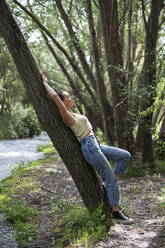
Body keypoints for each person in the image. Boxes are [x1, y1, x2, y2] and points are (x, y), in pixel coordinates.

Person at [42, 71, 133, 224]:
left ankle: (109, 183)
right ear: (63, 101)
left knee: (125, 156)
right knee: (110, 178)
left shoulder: (74, 113)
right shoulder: (67, 116)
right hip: (90, 147)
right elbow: (55, 97)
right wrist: (44, 82)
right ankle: (116, 212)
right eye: (68, 96)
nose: (71, 98)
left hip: (95, 143)